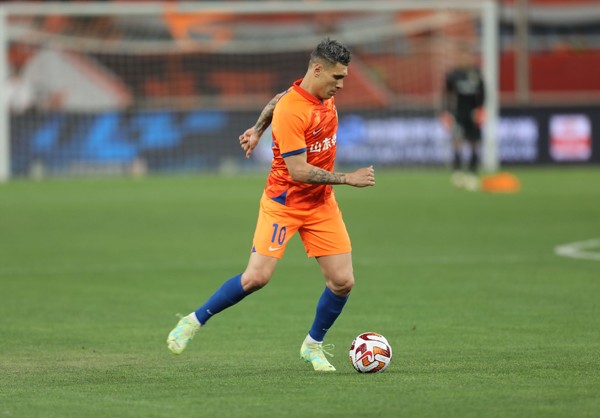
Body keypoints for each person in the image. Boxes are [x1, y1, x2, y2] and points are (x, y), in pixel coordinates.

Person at [166, 38, 375, 372]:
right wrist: (348, 178)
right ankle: (193, 320)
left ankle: (313, 345)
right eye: (337, 77)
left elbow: (276, 99)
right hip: (284, 203)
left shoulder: (316, 95)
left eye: (343, 77)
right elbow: (299, 171)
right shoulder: (294, 110)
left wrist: (257, 129)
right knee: (256, 278)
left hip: (320, 204)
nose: (341, 84)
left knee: (342, 281)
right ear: (317, 70)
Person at [441, 44, 485, 191]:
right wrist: (446, 112)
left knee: (474, 143)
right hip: (458, 113)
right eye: (461, 57)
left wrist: (480, 110)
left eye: (466, 57)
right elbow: (446, 95)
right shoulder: (453, 75)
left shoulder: (476, 74)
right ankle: (457, 172)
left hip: (473, 114)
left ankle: (472, 173)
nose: (464, 59)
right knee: (457, 142)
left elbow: (483, 94)